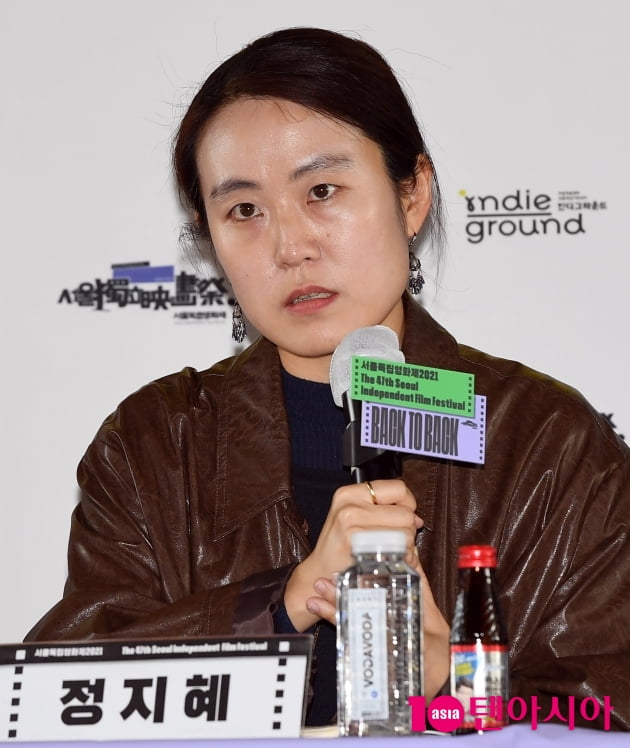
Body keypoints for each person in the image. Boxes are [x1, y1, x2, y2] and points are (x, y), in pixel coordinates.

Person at [26, 27, 629, 730]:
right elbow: (58, 696)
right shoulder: (156, 445)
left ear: (412, 194)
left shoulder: (544, 442)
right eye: (244, 211)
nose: (290, 246)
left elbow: (610, 705)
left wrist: (456, 683)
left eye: (322, 191)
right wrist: (282, 602)